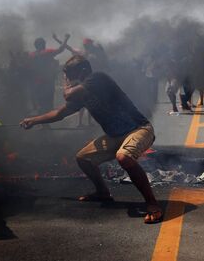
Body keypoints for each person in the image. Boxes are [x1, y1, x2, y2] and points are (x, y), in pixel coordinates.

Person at [20, 55, 160, 224]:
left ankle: (152, 204)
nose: (69, 79)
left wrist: (65, 82)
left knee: (124, 157)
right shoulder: (83, 93)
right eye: (67, 75)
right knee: (84, 158)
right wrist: (34, 120)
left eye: (70, 74)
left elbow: (67, 95)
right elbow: (59, 113)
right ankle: (103, 192)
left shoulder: (97, 78)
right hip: (115, 136)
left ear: (84, 71)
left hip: (139, 129)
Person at [28, 35, 70, 114]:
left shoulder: (31, 55)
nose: (45, 44)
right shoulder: (46, 52)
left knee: (41, 103)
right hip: (47, 81)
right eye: (44, 43)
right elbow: (60, 49)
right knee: (48, 104)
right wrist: (66, 39)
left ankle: (43, 123)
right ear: (42, 44)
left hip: (36, 83)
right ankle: (44, 122)